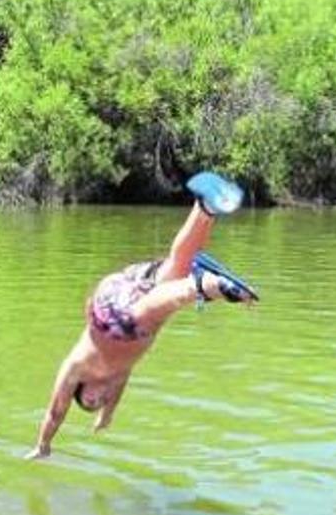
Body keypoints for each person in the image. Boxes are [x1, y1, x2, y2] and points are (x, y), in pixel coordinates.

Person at [24, 172, 258, 460]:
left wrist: (43, 444)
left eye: (89, 401)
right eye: (98, 402)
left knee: (149, 314)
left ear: (81, 389)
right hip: (124, 288)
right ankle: (206, 207)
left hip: (113, 316)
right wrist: (105, 418)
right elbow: (114, 397)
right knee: (177, 266)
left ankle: (203, 285)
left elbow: (56, 411)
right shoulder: (117, 376)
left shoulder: (75, 369)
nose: (97, 399)